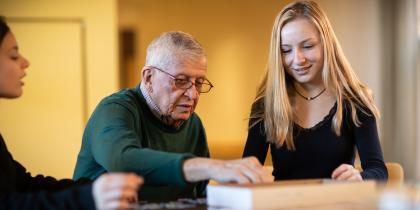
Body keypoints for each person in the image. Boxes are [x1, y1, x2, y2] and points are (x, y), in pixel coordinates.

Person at [73, 31, 272, 201]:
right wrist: (210, 166)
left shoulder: (193, 124)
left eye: (199, 82)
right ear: (148, 77)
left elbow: (199, 195)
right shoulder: (115, 109)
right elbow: (123, 160)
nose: (193, 94)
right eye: (181, 81)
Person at [0, 16, 143, 210]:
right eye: (13, 56)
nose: (26, 62)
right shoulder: (118, 106)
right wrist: (88, 198)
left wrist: (91, 188)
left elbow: (24, 184)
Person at [243, 0, 388, 181]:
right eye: (286, 50)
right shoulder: (266, 105)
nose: (298, 59)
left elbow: (378, 171)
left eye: (308, 46)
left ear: (326, 44)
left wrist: (360, 177)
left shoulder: (355, 101)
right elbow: (245, 172)